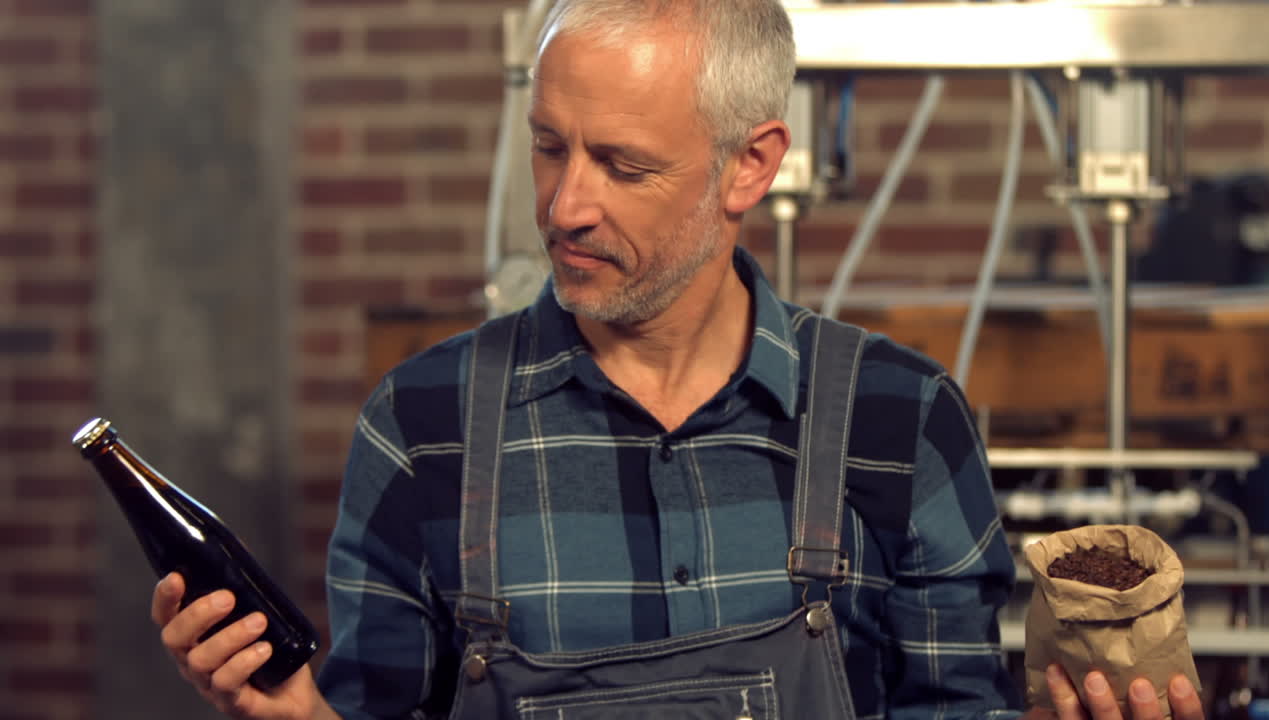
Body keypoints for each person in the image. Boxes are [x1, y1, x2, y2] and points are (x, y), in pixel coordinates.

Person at [151, 1, 1207, 719]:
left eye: (621, 164)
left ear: (748, 165)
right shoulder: (424, 425)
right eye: (550, 145)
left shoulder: (901, 422)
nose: (565, 205)